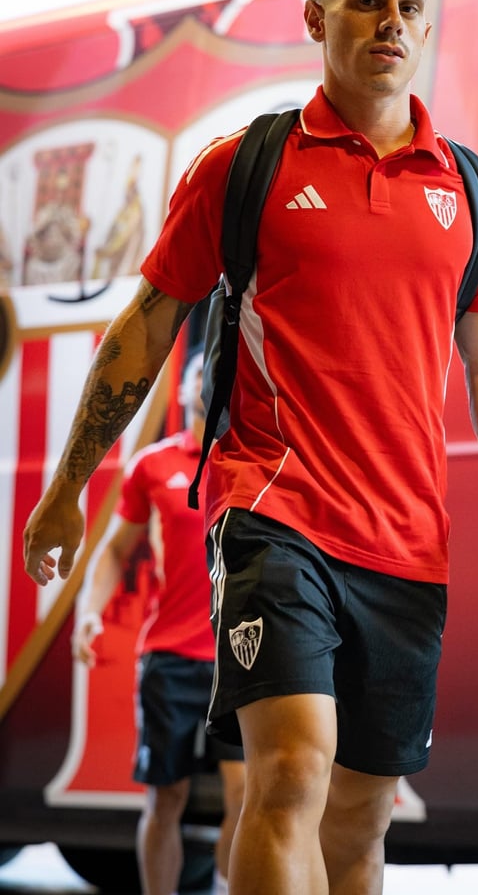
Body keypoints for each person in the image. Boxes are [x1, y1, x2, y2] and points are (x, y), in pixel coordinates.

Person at [23, 0, 478, 895]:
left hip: (406, 544)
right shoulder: (246, 165)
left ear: (426, 25)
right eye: (366, 0)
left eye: (407, 5)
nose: (389, 20)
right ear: (317, 19)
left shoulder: (468, 188)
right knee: (289, 773)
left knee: (360, 823)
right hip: (275, 513)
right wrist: (66, 489)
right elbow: (143, 330)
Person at [71, 351, 244, 895]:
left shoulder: (252, 460)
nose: (207, 379)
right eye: (199, 373)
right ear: (185, 389)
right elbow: (114, 549)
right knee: (166, 796)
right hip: (170, 657)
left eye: (217, 372)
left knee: (247, 796)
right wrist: (90, 613)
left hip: (240, 656)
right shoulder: (153, 465)